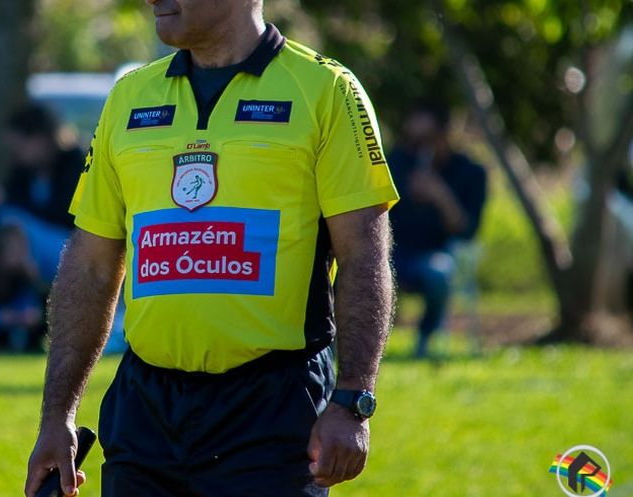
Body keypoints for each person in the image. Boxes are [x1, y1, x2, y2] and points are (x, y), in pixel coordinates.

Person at [24, 1, 399, 496]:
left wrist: (352, 400)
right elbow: (91, 265)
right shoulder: (129, 96)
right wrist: (58, 416)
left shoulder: (326, 90)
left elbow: (363, 256)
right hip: (145, 412)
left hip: (272, 409)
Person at [387, 102, 487, 359]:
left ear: (444, 135)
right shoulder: (394, 164)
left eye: (427, 140)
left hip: (435, 254)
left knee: (438, 274)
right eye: (413, 141)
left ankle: (424, 340)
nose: (419, 149)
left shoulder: (471, 172)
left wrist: (439, 195)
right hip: (392, 253)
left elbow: (467, 231)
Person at [0, 102, 85, 284]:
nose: (16, 154)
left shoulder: (76, 165)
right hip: (30, 249)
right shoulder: (24, 172)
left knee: (11, 220)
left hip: (70, 249)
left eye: (20, 147)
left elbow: (68, 218)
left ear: (40, 140)